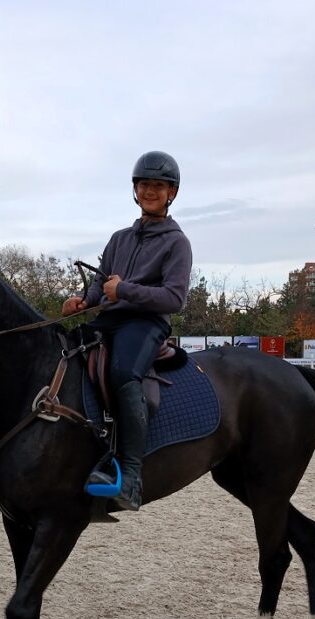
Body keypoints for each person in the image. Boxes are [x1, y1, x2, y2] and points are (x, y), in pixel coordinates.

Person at [61, 151, 193, 511]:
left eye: (158, 186)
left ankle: (132, 475)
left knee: (123, 373)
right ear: (135, 190)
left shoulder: (177, 243)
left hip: (147, 322)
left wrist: (125, 290)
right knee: (67, 356)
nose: (150, 191)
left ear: (171, 193)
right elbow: (101, 282)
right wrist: (83, 301)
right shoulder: (119, 238)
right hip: (110, 318)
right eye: (144, 184)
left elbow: (175, 298)